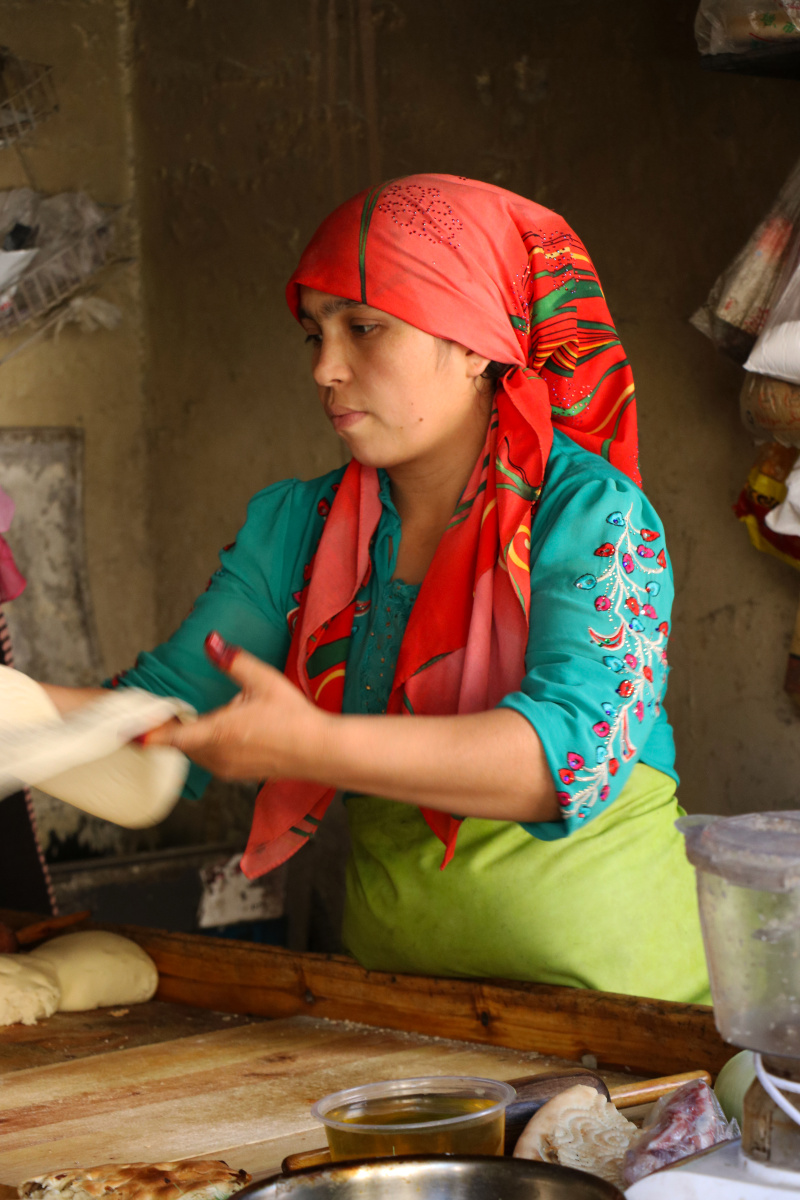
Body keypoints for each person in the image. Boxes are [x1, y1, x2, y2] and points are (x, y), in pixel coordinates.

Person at [46, 175, 710, 1003]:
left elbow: (567, 758)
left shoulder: (589, 513)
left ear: (475, 343)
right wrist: (14, 708)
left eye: (364, 328)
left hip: (628, 1020)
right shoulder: (297, 528)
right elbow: (156, 710)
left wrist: (309, 744)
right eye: (314, 333)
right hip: (400, 1017)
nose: (326, 368)